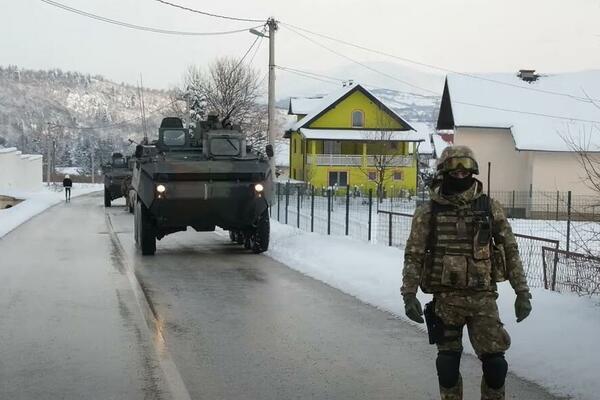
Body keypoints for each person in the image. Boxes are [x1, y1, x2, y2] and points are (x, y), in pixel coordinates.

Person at [401, 145, 532, 400]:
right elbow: (414, 254)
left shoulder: (489, 208)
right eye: (454, 170)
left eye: (465, 170)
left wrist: (522, 292)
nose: (460, 175)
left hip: (483, 299)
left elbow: (510, 250)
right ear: (443, 172)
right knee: (447, 366)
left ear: (473, 171)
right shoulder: (428, 212)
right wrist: (409, 294)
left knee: (496, 366)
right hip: (446, 300)